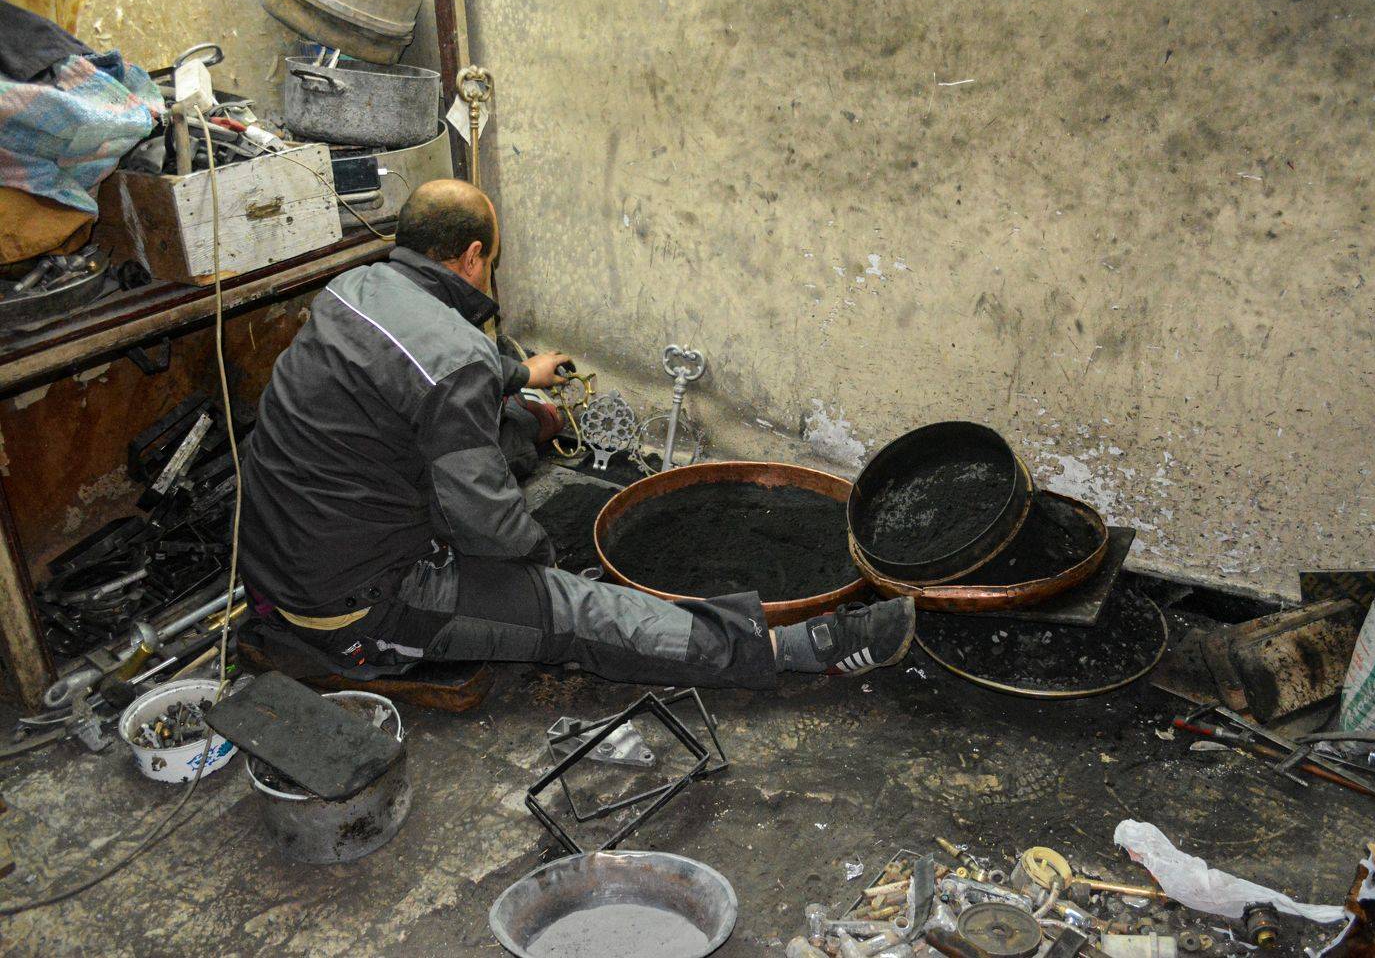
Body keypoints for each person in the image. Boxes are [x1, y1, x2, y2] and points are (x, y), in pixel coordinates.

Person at [237, 178, 915, 690]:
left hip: (280, 560)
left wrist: (518, 376)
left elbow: (431, 370)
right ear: (472, 256)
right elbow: (489, 529)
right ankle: (793, 649)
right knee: (574, 611)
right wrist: (542, 562)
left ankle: (522, 456)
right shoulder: (456, 362)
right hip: (359, 609)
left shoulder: (354, 289)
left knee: (509, 425)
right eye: (491, 258)